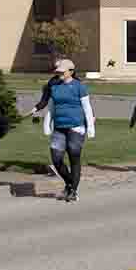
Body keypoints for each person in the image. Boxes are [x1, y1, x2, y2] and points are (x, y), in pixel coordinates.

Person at [29, 59, 95, 201]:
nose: (58, 73)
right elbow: (51, 107)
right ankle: (69, 184)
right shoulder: (55, 87)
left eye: (61, 71)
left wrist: (90, 127)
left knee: (74, 157)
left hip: (76, 127)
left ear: (71, 71)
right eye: (57, 71)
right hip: (59, 127)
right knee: (56, 159)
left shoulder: (79, 87)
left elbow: (87, 108)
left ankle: (73, 191)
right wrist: (47, 124)